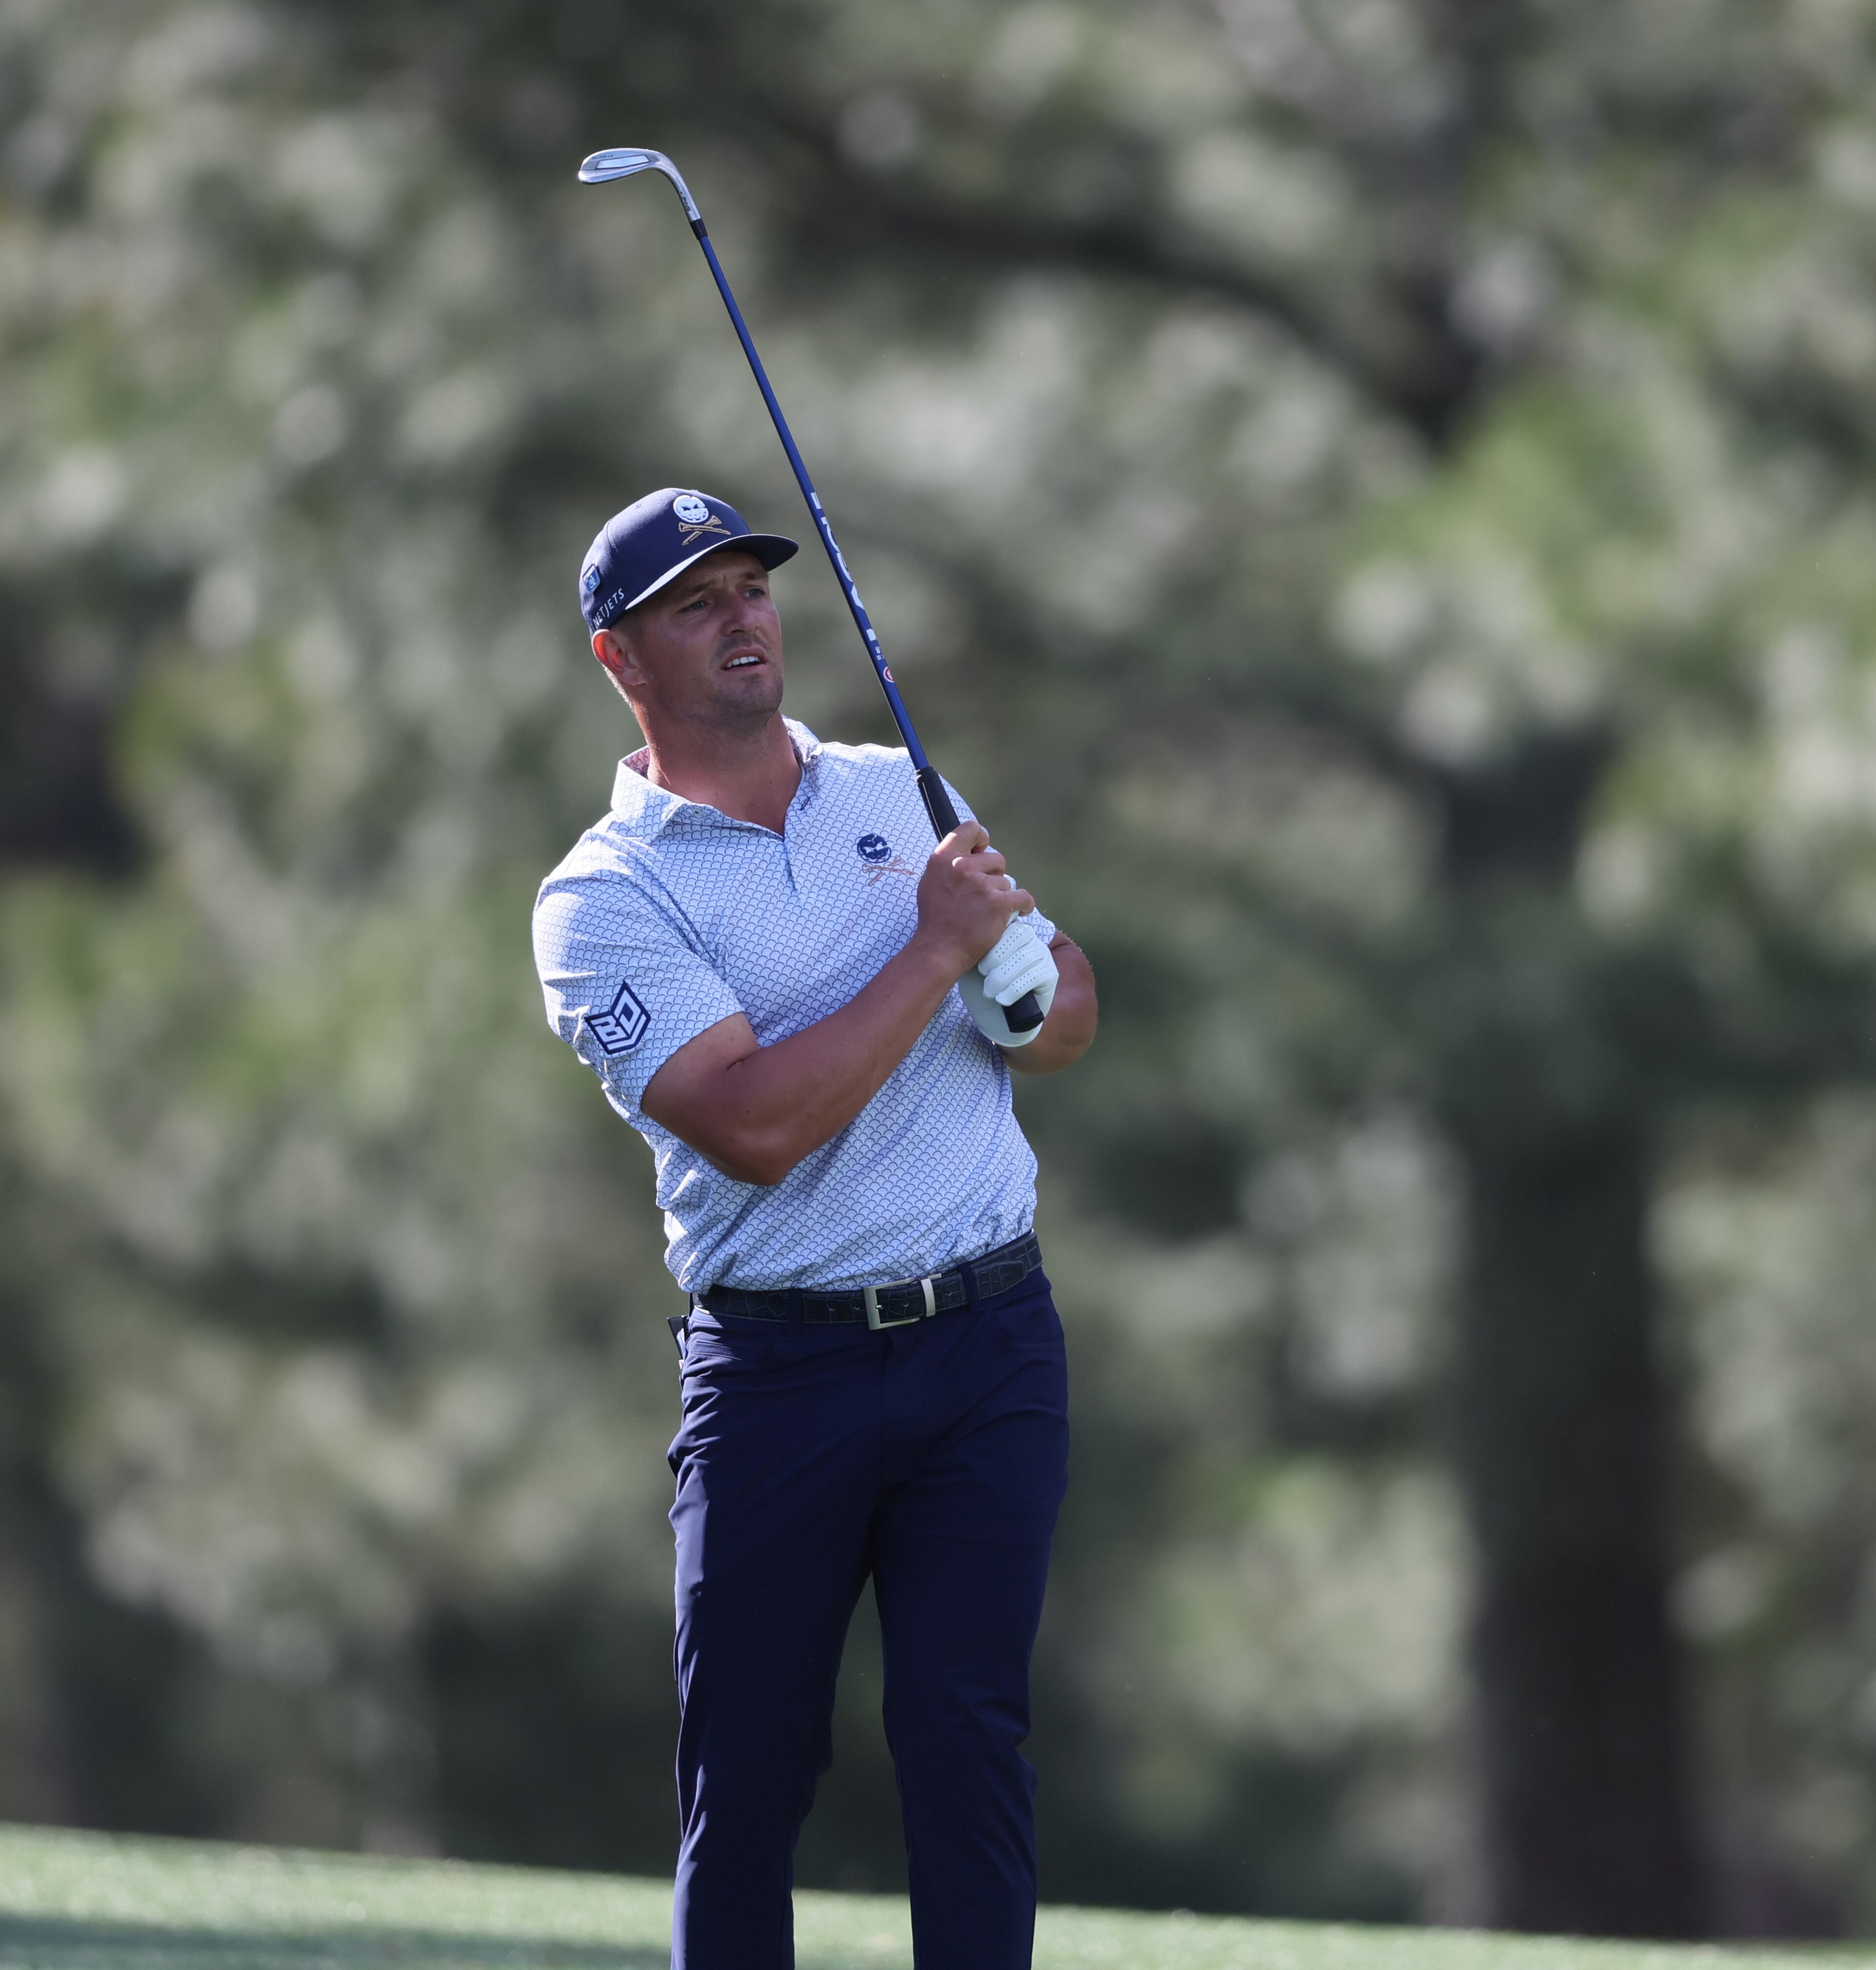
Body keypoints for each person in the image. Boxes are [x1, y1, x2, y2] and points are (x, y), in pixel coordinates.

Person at [531, 486, 1097, 1970]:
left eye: (752, 588)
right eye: (693, 602)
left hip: (988, 1341)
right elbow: (758, 1126)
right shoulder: (603, 895)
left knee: (967, 1738)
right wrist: (935, 946)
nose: (741, 618)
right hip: (780, 1375)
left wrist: (1016, 977)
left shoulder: (893, 787)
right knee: (750, 1773)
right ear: (620, 656)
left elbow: (1064, 1021)